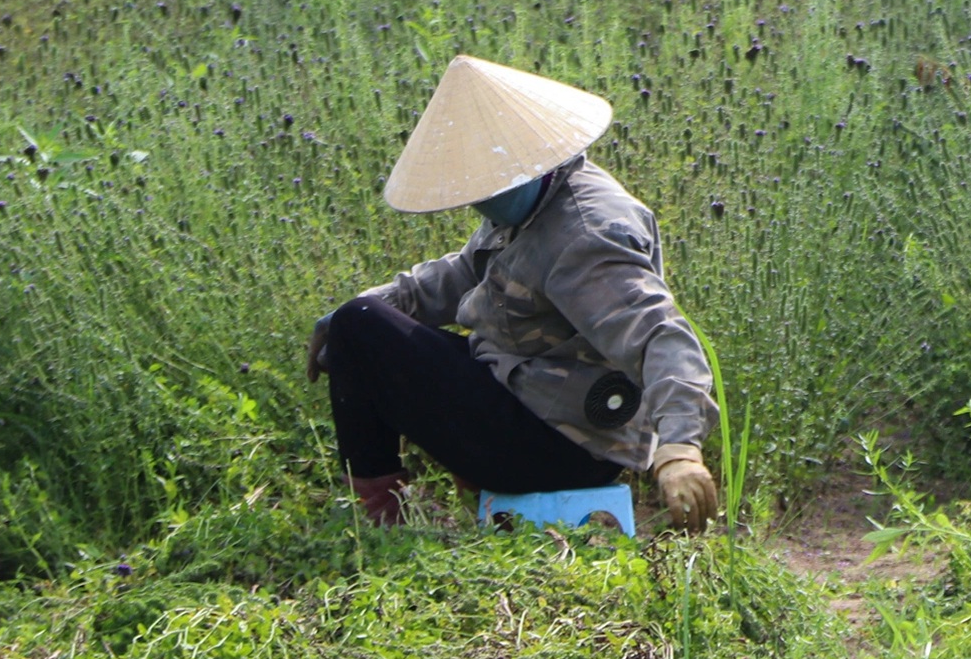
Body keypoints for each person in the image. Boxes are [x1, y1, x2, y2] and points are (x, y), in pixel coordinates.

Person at [305, 54, 720, 530]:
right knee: (359, 319)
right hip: (524, 399)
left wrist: (680, 450)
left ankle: (382, 522)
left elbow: (659, 336)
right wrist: (372, 306)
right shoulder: (530, 201)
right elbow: (466, 272)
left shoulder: (585, 234)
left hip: (563, 444)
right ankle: (385, 506)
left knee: (360, 325)